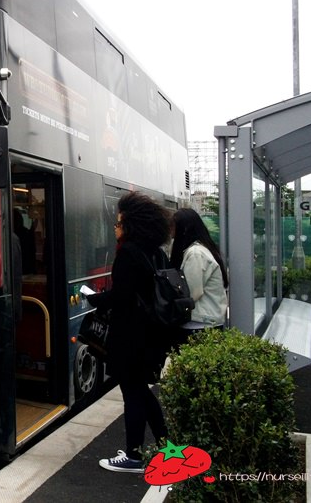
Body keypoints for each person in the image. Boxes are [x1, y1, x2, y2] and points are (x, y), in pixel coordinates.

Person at [90, 191, 171, 474]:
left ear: (130, 224)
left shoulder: (128, 252)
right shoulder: (156, 252)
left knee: (132, 394)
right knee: (142, 392)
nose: (115, 227)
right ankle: (166, 447)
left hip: (131, 336)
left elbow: (121, 297)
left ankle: (134, 456)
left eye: (118, 222)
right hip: (152, 334)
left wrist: (95, 299)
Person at [169, 208, 229, 327]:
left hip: (200, 321)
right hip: (206, 320)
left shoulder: (195, 253)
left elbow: (193, 292)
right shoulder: (203, 248)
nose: (171, 231)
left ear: (184, 229)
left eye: (173, 227)